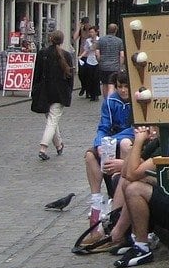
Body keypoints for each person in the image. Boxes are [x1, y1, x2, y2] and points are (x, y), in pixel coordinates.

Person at [84, 71, 135, 225]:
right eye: (120, 87)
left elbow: (135, 128)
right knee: (90, 155)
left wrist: (112, 139)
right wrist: (99, 143)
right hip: (110, 139)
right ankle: (96, 201)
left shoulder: (137, 101)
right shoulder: (109, 101)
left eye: (127, 86)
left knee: (126, 144)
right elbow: (103, 126)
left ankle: (122, 195)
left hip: (129, 138)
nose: (123, 90)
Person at [31, 30, 74, 161]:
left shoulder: (42, 53)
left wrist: (34, 90)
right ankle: (43, 148)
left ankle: (59, 145)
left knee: (51, 120)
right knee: (52, 121)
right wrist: (69, 93)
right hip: (60, 93)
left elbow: (36, 74)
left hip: (44, 92)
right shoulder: (66, 55)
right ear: (62, 41)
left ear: (50, 39)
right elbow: (70, 78)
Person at [96, 22, 124, 92]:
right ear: (116, 30)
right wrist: (120, 66)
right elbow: (122, 55)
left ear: (108, 30)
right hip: (114, 67)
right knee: (113, 84)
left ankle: (106, 100)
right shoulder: (119, 41)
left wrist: (100, 61)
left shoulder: (101, 40)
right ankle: (111, 99)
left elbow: (97, 53)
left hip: (103, 67)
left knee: (105, 84)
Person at [77, 25, 100, 100]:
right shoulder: (88, 40)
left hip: (97, 60)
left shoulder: (99, 40)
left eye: (92, 32)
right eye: (90, 32)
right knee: (89, 78)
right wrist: (81, 56)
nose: (91, 33)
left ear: (96, 32)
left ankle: (96, 94)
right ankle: (90, 93)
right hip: (89, 60)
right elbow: (86, 50)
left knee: (96, 78)